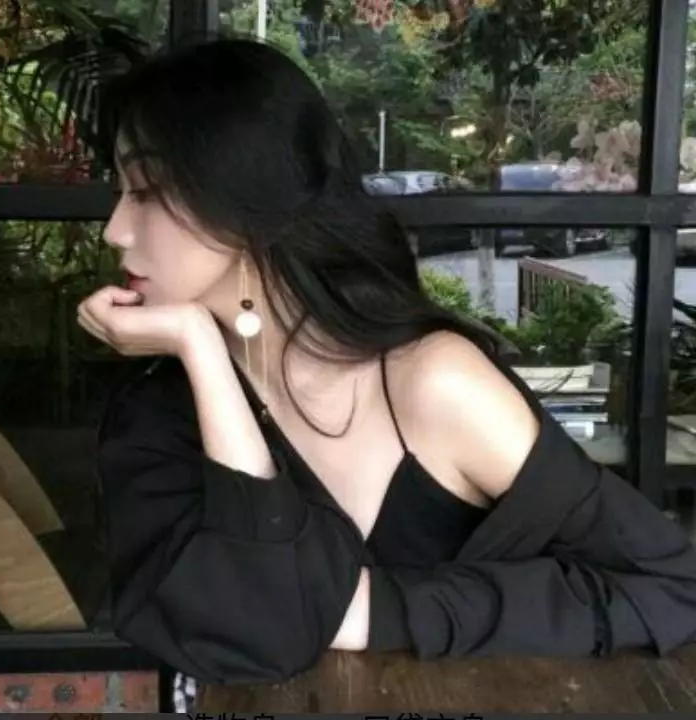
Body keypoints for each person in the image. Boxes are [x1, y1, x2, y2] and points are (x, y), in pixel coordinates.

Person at [79, 37, 696, 691]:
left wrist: (381, 611)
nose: (114, 229)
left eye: (146, 190)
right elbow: (259, 633)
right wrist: (201, 351)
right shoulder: (160, 412)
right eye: (121, 191)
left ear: (245, 196)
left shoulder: (432, 384)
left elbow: (672, 586)